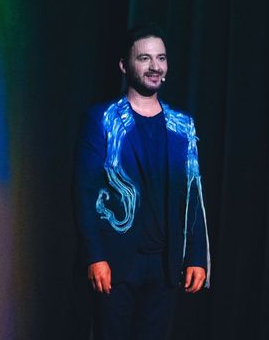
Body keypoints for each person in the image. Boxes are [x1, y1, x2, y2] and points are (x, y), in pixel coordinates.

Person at [74, 23, 210, 340]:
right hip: (116, 262)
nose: (155, 66)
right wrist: (95, 256)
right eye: (144, 58)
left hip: (165, 265)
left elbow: (192, 194)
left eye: (161, 58)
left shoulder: (182, 125)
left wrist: (196, 256)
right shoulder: (103, 119)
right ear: (125, 65)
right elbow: (84, 192)